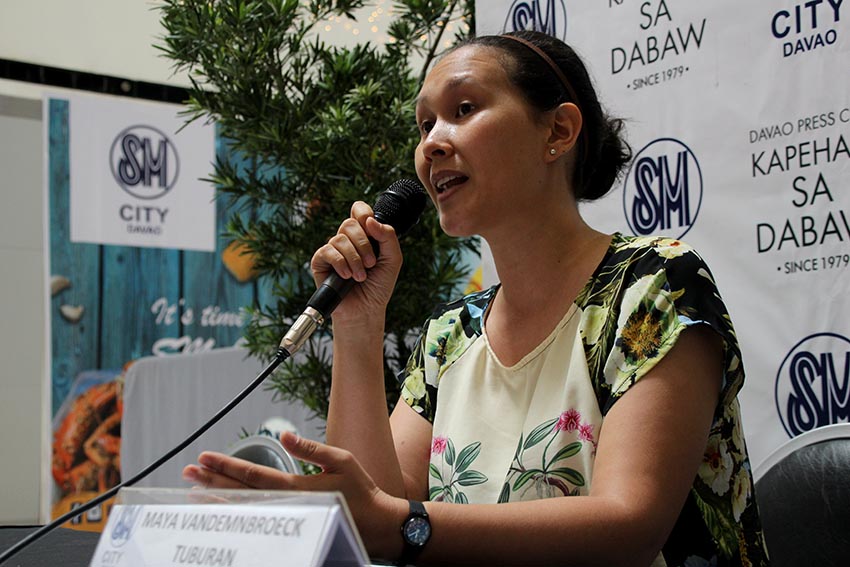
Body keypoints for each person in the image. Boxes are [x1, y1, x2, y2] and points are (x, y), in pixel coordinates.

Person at [183, 30, 769, 566]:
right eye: (423, 125)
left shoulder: (654, 284)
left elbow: (630, 524)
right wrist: (358, 327)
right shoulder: (451, 335)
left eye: (463, 110)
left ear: (558, 132)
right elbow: (374, 517)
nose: (433, 143)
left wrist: (404, 525)